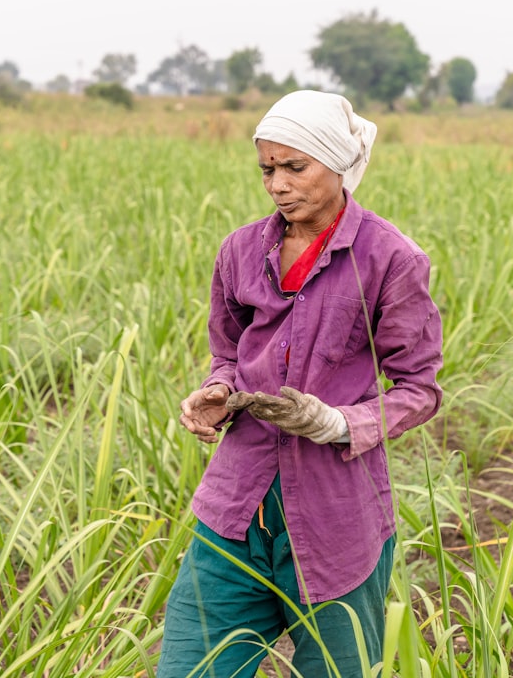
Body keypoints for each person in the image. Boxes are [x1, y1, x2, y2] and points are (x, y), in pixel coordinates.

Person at [157, 90, 443, 677]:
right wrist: (217, 394)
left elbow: (420, 388)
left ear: (337, 164)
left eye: (295, 167)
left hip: (338, 515)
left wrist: (341, 423)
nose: (278, 185)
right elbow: (230, 355)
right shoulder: (240, 251)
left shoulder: (391, 258)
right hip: (236, 509)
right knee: (191, 666)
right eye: (267, 168)